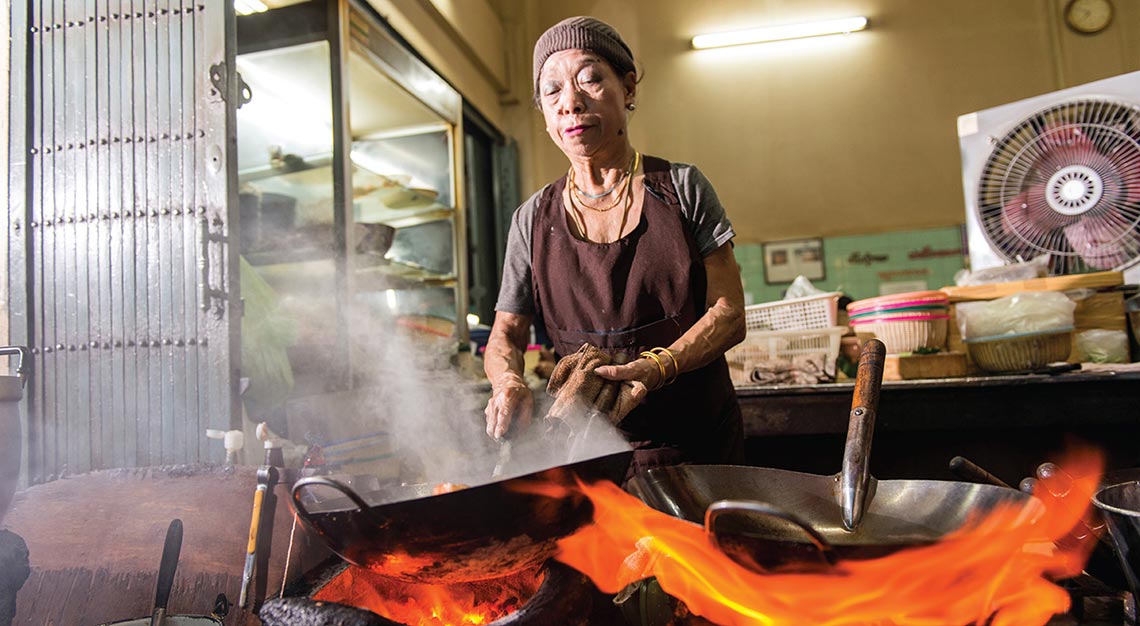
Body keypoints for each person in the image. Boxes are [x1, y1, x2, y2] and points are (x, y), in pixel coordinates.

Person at [483, 16, 747, 474]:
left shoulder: (682, 188)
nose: (571, 102)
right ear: (544, 116)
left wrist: (660, 366)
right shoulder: (530, 220)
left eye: (590, 79)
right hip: (588, 453)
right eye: (552, 91)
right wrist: (507, 380)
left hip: (697, 450)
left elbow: (729, 312)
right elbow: (506, 333)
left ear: (628, 89)